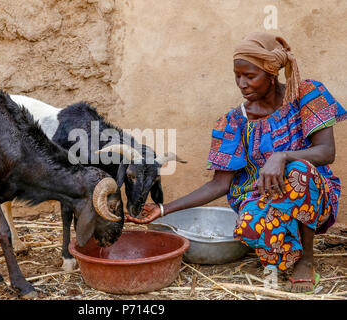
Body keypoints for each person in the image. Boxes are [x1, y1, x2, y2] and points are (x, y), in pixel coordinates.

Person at [126, 32, 347, 293]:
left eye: (250, 76)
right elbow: (220, 183)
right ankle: (288, 248)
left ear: (271, 73)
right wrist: (163, 209)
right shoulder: (234, 121)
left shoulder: (307, 95)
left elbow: (326, 151)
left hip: (315, 193)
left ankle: (306, 260)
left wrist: (282, 156)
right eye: (237, 76)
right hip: (264, 198)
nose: (242, 83)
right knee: (248, 228)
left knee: (299, 170)